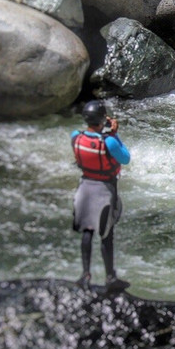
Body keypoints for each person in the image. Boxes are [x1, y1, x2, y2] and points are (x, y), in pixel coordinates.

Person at [71, 100, 131, 292]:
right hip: (105, 190)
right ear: (102, 120)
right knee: (106, 236)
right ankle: (110, 277)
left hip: (85, 188)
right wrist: (114, 133)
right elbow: (125, 158)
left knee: (87, 232)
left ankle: (85, 274)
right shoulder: (109, 141)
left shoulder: (76, 137)